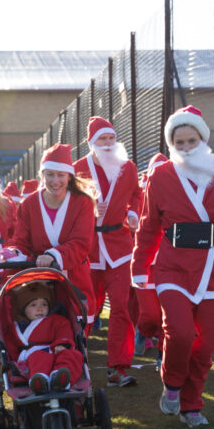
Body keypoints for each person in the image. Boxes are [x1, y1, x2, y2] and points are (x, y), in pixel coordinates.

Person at [132, 105, 214, 428]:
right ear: (170, 144)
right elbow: (148, 225)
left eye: (192, 141)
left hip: (213, 271)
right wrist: (139, 266)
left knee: (203, 346)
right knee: (180, 333)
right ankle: (172, 384)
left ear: (203, 139)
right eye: (179, 143)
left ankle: (192, 405)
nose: (186, 148)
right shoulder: (160, 176)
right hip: (172, 267)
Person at [73, 117, 142, 387]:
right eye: (102, 139)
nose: (108, 143)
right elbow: (66, 201)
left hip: (120, 246)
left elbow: (137, 193)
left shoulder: (127, 166)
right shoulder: (77, 168)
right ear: (91, 142)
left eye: (111, 138)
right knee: (85, 309)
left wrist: (134, 211)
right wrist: (87, 209)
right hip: (87, 249)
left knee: (122, 307)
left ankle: (119, 367)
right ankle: (75, 362)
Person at [4, 143, 97, 332]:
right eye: (50, 174)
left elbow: (81, 243)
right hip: (39, 284)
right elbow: (21, 240)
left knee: (75, 336)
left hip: (75, 280)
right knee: (41, 336)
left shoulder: (83, 203)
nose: (55, 181)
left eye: (60, 175)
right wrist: (15, 252)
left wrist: (54, 255)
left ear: (69, 176)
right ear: (42, 176)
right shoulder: (29, 204)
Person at [6, 282, 84, 394]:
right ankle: (40, 380)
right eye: (33, 305)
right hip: (33, 357)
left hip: (56, 351)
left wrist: (62, 344)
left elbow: (64, 332)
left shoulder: (56, 320)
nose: (39, 309)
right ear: (23, 309)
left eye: (44, 304)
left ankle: (60, 378)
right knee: (39, 357)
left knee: (73, 355)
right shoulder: (15, 327)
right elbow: (10, 346)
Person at [132, 153, 169, 368]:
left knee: (169, 315)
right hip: (145, 265)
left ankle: (163, 355)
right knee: (150, 317)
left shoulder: (177, 196)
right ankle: (143, 331)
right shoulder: (141, 196)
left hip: (169, 265)